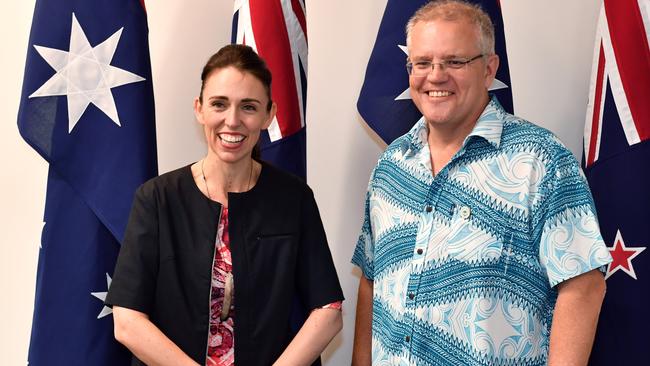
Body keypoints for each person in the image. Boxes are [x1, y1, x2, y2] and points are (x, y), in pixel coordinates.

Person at [351, 1, 612, 365]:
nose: (436, 76)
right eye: (422, 63)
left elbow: (583, 285)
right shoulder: (391, 166)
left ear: (489, 69)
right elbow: (372, 280)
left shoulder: (540, 161)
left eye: (455, 62)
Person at [106, 44, 344, 366]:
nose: (232, 121)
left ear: (268, 115)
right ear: (199, 108)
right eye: (219, 104)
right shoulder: (156, 199)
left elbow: (328, 311)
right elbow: (127, 321)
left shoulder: (295, 198)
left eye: (248, 107)